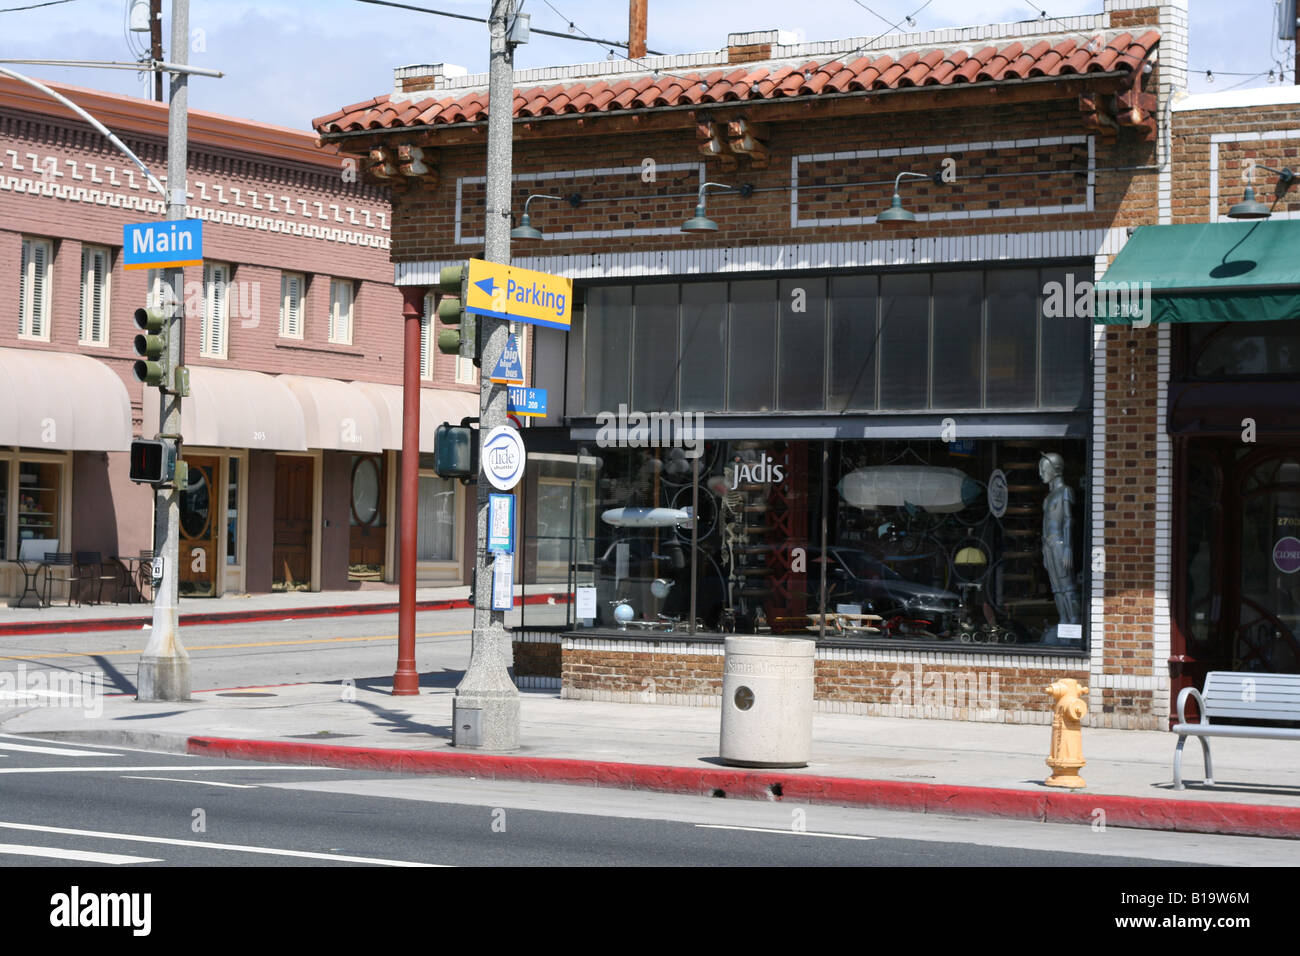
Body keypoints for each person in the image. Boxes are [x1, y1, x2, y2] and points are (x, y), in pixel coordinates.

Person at [1039, 451, 1080, 642]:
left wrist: (1068, 547)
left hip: (1060, 543)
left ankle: (1074, 620)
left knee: (1067, 585)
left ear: (1055, 470)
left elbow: (1069, 520)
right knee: (1056, 587)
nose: (1040, 473)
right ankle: (1063, 618)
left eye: (1043, 468)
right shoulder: (1047, 498)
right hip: (1048, 545)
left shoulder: (1065, 491)